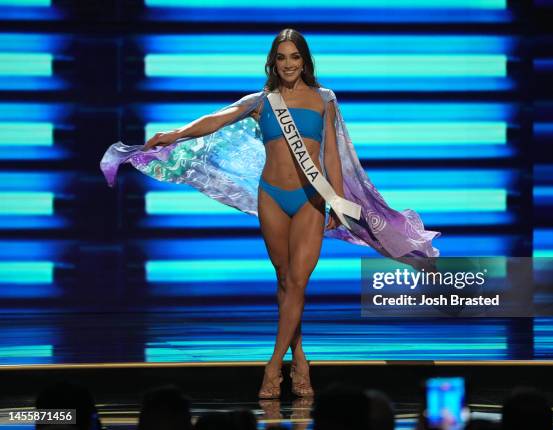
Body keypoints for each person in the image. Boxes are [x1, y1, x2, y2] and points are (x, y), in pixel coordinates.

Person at [100, 28, 441, 399]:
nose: (289, 64)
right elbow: (217, 119)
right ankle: (300, 358)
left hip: (311, 200)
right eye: (282, 58)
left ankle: (272, 366)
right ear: (273, 62)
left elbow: (332, 157)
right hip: (272, 199)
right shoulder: (261, 101)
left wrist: (338, 203)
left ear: (305, 61)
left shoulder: (324, 100)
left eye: (295, 57)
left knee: (297, 283)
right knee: (284, 281)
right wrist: (176, 132)